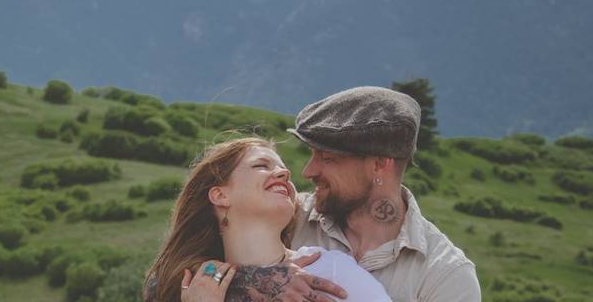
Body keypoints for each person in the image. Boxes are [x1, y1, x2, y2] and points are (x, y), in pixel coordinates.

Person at [190, 86, 481, 302]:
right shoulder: (289, 213)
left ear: (380, 164)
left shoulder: (447, 275)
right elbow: (168, 277)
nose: (307, 171)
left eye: (327, 158)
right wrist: (258, 281)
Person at [143, 136, 389, 302]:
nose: (285, 172)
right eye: (261, 165)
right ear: (220, 195)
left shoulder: (329, 271)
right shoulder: (193, 289)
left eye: (283, 169)